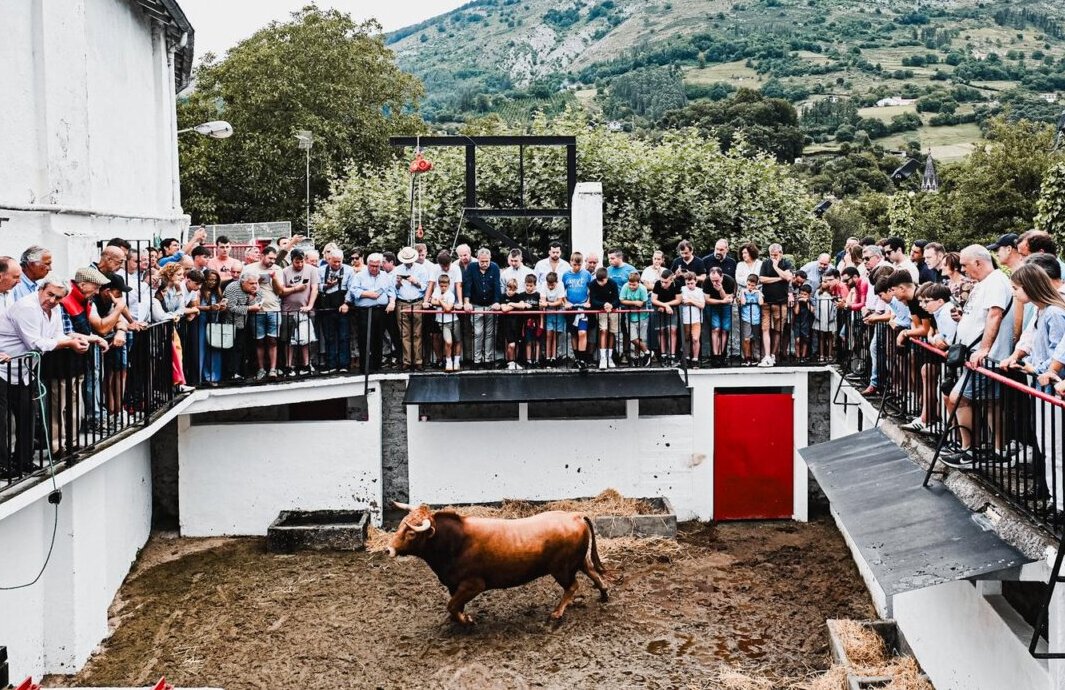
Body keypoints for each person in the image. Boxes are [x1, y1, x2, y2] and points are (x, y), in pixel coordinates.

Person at [0, 277, 92, 479]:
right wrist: (70, 344)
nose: (52, 300)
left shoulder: (55, 309)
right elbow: (35, 343)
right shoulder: (27, 307)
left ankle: (23, 460)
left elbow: (57, 334)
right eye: (50, 294)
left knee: (27, 414)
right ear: (41, 289)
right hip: (4, 368)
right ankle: (3, 465)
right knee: (3, 419)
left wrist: (75, 340)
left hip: (24, 369)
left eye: (58, 298)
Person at [940, 245, 1017, 468]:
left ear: (978, 262)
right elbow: (983, 315)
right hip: (981, 355)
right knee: (991, 402)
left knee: (959, 397)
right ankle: (999, 450)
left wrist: (984, 349)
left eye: (964, 265)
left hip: (986, 356)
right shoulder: (985, 283)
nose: (963, 269)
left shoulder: (995, 282)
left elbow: (995, 315)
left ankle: (969, 450)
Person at [241, 246, 289, 381]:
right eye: (270, 258)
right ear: (262, 256)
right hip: (257, 309)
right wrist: (258, 282)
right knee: (259, 341)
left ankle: (273, 369)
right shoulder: (249, 268)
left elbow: (280, 291)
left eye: (274, 259)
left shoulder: (277, 269)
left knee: (273, 340)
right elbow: (242, 288)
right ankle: (261, 368)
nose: (272, 261)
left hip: (273, 308)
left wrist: (274, 279)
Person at [342, 252, 395, 374]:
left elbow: (391, 290)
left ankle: (377, 366)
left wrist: (392, 302)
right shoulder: (359, 276)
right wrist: (367, 294)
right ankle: (365, 367)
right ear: (368, 264)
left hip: (380, 310)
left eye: (377, 266)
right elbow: (353, 290)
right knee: (364, 338)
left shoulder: (385, 276)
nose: (374, 268)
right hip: (365, 311)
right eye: (372, 266)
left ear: (380, 265)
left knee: (378, 338)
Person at [317, 249, 355, 373]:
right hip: (327, 307)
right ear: (329, 260)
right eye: (334, 262)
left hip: (342, 307)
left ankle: (344, 364)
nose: (337, 264)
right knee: (329, 337)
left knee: (344, 336)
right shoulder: (321, 270)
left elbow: (351, 288)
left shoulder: (349, 270)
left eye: (339, 262)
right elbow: (316, 286)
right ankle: (331, 364)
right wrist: (326, 286)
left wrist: (346, 303)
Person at [281, 248, 318, 376]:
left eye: (302, 261)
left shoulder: (312, 270)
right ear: (292, 261)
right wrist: (296, 288)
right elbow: (281, 291)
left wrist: (310, 306)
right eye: (297, 262)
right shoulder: (285, 271)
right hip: (288, 310)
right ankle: (288, 365)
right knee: (288, 340)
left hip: (304, 310)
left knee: (305, 340)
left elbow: (314, 289)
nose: (300, 264)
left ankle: (306, 364)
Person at [463, 248, 502, 368]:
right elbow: (467, 285)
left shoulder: (495, 267)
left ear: (490, 259)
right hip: (476, 305)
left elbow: (497, 285)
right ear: (478, 259)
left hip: (490, 305)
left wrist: (497, 302)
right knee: (478, 333)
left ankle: (488, 359)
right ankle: (477, 359)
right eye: (482, 261)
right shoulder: (471, 267)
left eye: (486, 261)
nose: (484, 264)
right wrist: (466, 302)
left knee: (490, 333)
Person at [758, 243, 793, 367]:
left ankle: (773, 355)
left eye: (776, 255)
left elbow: (788, 277)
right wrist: (779, 278)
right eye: (771, 255)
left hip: (781, 302)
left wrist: (775, 266)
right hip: (766, 301)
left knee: (778, 330)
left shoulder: (787, 263)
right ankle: (767, 356)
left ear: (781, 253)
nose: (773, 257)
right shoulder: (765, 263)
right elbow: (762, 279)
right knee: (765, 328)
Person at [394, 246, 429, 371]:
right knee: (404, 334)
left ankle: (418, 361)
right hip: (402, 303)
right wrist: (398, 283)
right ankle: (406, 361)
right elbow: (393, 289)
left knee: (417, 333)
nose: (407, 262)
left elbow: (425, 287)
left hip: (417, 302)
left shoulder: (421, 269)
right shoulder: (397, 269)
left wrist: (415, 282)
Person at [222, 272, 261, 380]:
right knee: (232, 349)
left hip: (244, 322)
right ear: (243, 283)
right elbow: (231, 308)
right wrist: (249, 308)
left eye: (256, 283)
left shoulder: (254, 288)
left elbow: (259, 300)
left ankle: (240, 372)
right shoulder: (232, 288)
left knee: (242, 348)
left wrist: (254, 296)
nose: (254, 285)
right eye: (251, 283)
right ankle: (231, 374)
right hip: (230, 323)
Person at [560, 253, 593, 368]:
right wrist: (565, 302)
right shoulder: (566, 275)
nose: (577, 267)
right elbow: (561, 291)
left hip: (582, 308)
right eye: (574, 265)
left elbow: (591, 290)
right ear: (570, 262)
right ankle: (577, 358)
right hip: (571, 309)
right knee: (573, 334)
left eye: (579, 265)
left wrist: (588, 301)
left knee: (582, 332)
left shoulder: (586, 274)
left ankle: (582, 359)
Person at [195, 269, 226, 385]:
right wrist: (209, 308)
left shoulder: (217, 292)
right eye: (210, 279)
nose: (212, 282)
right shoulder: (199, 291)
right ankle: (201, 377)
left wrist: (222, 307)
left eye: (215, 280)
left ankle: (214, 377)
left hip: (214, 321)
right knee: (201, 349)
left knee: (215, 349)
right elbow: (195, 306)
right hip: (201, 321)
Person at [588, 267, 621, 369]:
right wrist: (604, 305)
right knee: (603, 330)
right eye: (599, 281)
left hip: (613, 310)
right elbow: (593, 300)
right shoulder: (593, 284)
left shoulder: (612, 283)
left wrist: (611, 305)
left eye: (603, 280)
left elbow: (617, 299)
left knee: (612, 332)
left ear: (607, 277)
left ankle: (609, 357)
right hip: (601, 310)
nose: (601, 283)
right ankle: (603, 358)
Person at [619, 271, 652, 366]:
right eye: (630, 284)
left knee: (641, 338)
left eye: (634, 285)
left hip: (643, 316)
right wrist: (634, 303)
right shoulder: (625, 287)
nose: (631, 287)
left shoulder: (642, 288)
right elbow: (621, 300)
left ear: (638, 282)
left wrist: (633, 303)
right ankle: (647, 352)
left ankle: (637, 358)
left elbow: (643, 302)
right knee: (633, 338)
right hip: (630, 317)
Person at [703, 267, 735, 364]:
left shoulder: (729, 280)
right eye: (712, 280)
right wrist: (721, 301)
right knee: (716, 328)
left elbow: (727, 299)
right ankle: (715, 355)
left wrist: (721, 289)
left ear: (722, 276)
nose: (714, 283)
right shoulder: (707, 281)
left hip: (726, 306)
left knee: (725, 329)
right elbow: (707, 300)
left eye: (716, 280)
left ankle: (721, 355)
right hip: (712, 306)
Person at [430, 274, 460, 372]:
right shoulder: (436, 290)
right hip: (443, 322)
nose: (443, 288)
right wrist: (442, 303)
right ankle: (448, 362)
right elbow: (432, 302)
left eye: (445, 286)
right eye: (441, 286)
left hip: (454, 320)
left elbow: (448, 308)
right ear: (439, 285)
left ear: (448, 285)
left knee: (457, 341)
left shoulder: (451, 294)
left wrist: (439, 301)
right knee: (448, 342)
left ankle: (456, 362)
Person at [652, 270, 682, 362]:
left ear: (671, 280)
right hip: (659, 308)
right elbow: (653, 299)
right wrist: (665, 305)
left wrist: (667, 305)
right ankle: (663, 354)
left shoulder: (677, 283)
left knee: (672, 330)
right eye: (662, 281)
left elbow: (678, 300)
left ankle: (672, 355)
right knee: (661, 330)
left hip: (672, 308)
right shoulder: (657, 284)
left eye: (666, 282)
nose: (663, 284)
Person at [540, 271, 566, 366]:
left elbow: (559, 301)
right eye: (549, 284)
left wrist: (547, 304)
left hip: (558, 311)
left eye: (552, 285)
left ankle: (554, 357)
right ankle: (547, 357)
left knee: (555, 335)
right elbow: (542, 301)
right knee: (548, 335)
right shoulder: (544, 285)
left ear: (556, 282)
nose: (550, 287)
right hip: (548, 312)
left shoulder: (560, 285)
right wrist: (547, 304)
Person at [499, 279, 527, 370]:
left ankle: (515, 362)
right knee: (511, 344)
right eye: (509, 289)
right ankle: (510, 362)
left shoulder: (518, 296)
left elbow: (522, 306)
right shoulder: (503, 296)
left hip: (518, 323)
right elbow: (504, 309)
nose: (511, 292)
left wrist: (510, 303)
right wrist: (515, 305)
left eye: (513, 290)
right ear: (506, 287)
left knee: (517, 344)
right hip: (506, 324)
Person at [679, 272, 705, 366]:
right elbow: (682, 301)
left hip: (696, 319)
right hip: (685, 318)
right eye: (688, 283)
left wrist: (690, 301)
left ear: (696, 281)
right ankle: (686, 357)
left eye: (692, 283)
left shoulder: (699, 291)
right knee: (686, 338)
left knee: (695, 338)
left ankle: (695, 359)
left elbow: (702, 305)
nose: (690, 285)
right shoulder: (682, 289)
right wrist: (695, 302)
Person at [738, 274, 763, 365]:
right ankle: (747, 357)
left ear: (756, 285)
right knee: (746, 338)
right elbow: (743, 302)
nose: (750, 287)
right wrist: (742, 292)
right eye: (748, 285)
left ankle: (756, 356)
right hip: (746, 317)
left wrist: (758, 293)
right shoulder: (743, 291)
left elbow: (761, 302)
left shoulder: (758, 292)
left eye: (753, 285)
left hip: (756, 317)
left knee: (756, 338)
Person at [519, 274, 543, 366]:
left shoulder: (538, 295)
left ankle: (537, 360)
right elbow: (520, 307)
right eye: (527, 285)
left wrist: (541, 323)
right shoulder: (521, 295)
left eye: (531, 286)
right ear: (524, 284)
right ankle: (529, 360)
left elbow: (541, 310)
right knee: (528, 341)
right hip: (526, 321)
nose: (529, 288)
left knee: (537, 341)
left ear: (535, 285)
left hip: (537, 321)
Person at [792, 283, 814, 361]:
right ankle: (798, 356)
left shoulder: (810, 301)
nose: (803, 296)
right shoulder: (797, 301)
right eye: (801, 294)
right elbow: (796, 312)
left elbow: (812, 310)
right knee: (797, 340)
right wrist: (798, 302)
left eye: (805, 294)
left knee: (805, 340)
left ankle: (803, 356)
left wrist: (807, 302)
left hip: (806, 322)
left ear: (809, 295)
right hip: (797, 322)